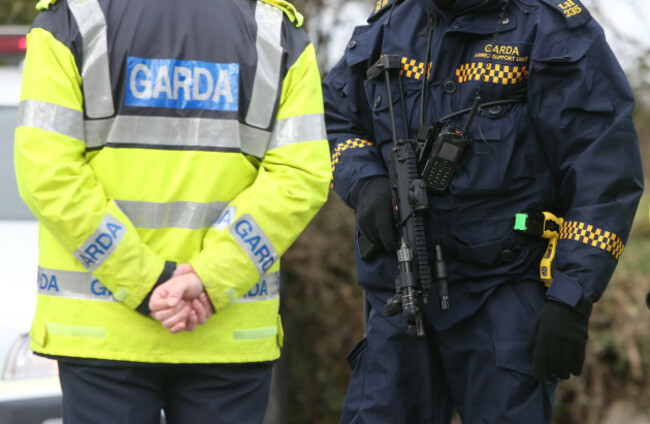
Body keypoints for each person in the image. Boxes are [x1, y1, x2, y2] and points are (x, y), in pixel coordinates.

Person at [323, 0, 643, 422]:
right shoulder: (390, 24)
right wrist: (365, 182)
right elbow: (336, 119)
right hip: (400, 290)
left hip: (503, 292)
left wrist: (571, 298)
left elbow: (604, 174)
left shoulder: (553, 30)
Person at [14, 0, 331, 422]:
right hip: (227, 331)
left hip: (101, 331)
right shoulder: (276, 31)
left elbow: (48, 175)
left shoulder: (71, 20)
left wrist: (147, 282)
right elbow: (300, 178)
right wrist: (209, 279)